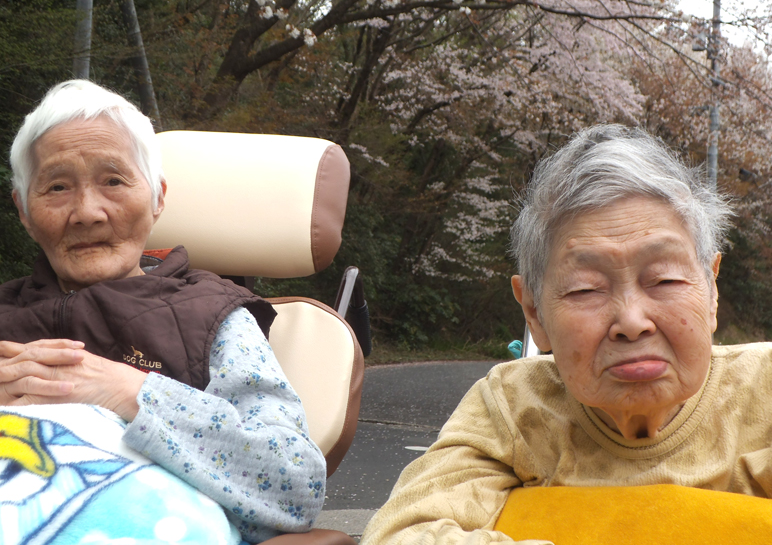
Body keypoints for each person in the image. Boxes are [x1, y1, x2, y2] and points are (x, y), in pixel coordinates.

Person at [361, 124, 772, 545]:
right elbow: (401, 534)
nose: (631, 322)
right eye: (585, 289)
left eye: (664, 280)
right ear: (534, 312)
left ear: (712, 290)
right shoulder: (512, 407)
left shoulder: (765, 388)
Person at [0, 80, 327, 543]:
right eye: (56, 187)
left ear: (157, 197)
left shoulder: (213, 316)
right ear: (24, 213)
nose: (88, 211)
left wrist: (130, 393)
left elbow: (296, 487)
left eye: (113, 180)